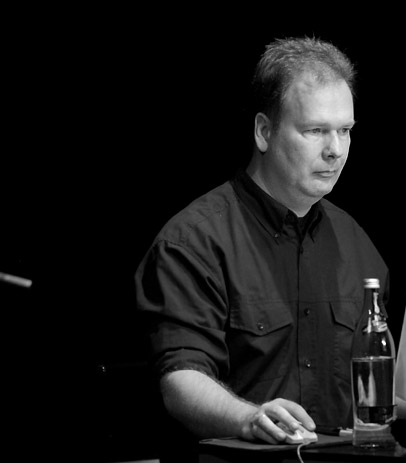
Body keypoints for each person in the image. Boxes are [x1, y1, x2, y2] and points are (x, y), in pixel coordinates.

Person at [134, 36, 389, 462]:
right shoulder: (193, 242)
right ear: (264, 132)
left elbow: (383, 385)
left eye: (345, 131)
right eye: (315, 131)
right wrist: (249, 418)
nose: (336, 150)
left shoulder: (357, 245)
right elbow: (181, 380)